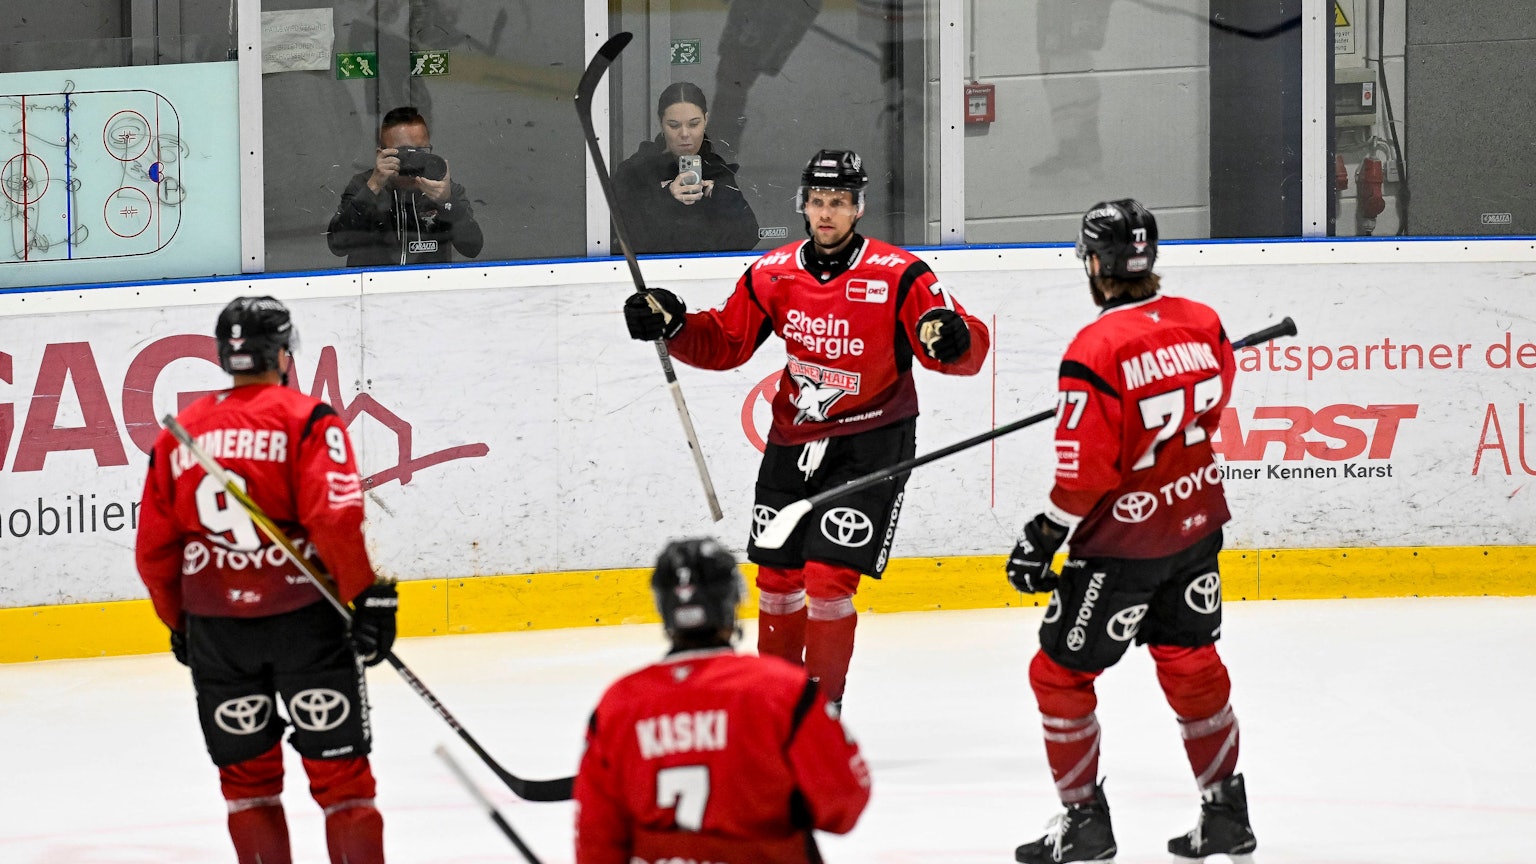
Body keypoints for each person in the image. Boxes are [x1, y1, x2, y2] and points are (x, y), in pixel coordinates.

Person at [622, 149, 991, 711]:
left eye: (839, 203)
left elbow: (957, 346)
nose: (826, 214)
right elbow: (724, 341)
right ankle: (775, 703)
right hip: (792, 441)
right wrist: (672, 324)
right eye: (817, 202)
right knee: (776, 579)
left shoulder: (901, 274)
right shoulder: (774, 273)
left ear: (859, 208)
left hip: (874, 441)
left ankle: (821, 709)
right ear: (803, 204)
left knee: (827, 580)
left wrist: (957, 340)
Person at [1004, 200, 1257, 863]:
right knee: (1190, 659)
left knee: (1057, 676)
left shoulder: (1095, 348)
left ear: (1095, 263)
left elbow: (1086, 475)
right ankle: (1225, 813)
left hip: (1121, 544)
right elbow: (1219, 392)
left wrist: (1043, 535)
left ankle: (1084, 823)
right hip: (1197, 521)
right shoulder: (1202, 322)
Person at [135, 296, 399, 864]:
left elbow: (155, 552)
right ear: (282, 352)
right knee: (343, 783)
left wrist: (179, 621)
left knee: (247, 787)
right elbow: (333, 519)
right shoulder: (307, 420)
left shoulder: (179, 434)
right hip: (305, 624)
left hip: (217, 632)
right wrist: (365, 596)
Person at [574, 537, 870, 864]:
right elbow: (844, 802)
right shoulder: (781, 691)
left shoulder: (620, 704)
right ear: (731, 602)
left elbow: (596, 843)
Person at [611, 82, 759, 254]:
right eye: (674, 125)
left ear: (706, 120)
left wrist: (718, 197)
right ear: (661, 123)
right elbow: (620, 240)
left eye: (694, 124)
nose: (684, 134)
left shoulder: (718, 170)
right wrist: (665, 197)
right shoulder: (635, 172)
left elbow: (749, 237)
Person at [327, 106, 484, 267]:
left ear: (430, 150)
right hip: (372, 286)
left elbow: (472, 248)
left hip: (430, 286)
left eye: (419, 152)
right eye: (402, 153)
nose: (410, 160)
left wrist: (447, 202)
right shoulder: (363, 185)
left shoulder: (443, 188)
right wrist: (372, 189)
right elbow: (337, 245)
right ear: (381, 154)